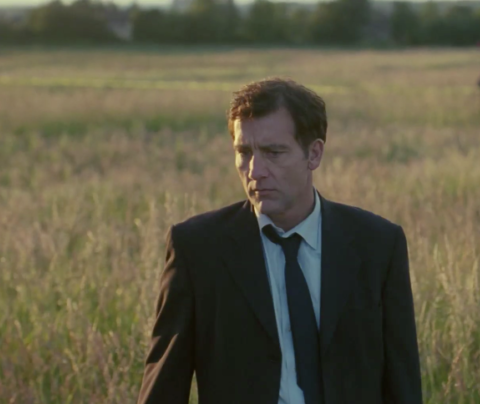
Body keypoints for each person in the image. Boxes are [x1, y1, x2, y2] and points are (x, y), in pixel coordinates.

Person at [137, 78, 422, 404]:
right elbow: (165, 384)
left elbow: (402, 381)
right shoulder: (198, 249)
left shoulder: (378, 245)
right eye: (244, 152)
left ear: (314, 154)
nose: (255, 171)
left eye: (273, 153)